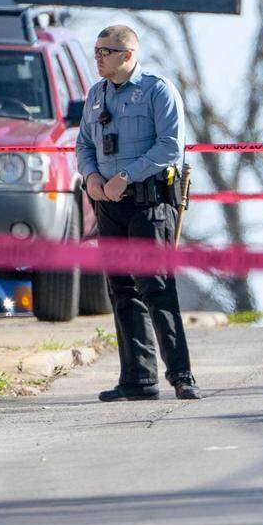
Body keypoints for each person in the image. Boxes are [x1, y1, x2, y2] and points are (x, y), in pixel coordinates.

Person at [76, 25, 202, 402]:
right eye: (96, 50)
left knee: (157, 288)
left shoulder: (156, 90)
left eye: (105, 51)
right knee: (122, 290)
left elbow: (169, 147)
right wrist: (93, 176)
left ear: (127, 55)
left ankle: (181, 375)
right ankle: (138, 379)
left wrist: (125, 176)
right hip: (109, 205)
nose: (98, 57)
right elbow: (83, 143)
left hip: (148, 203)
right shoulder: (96, 94)